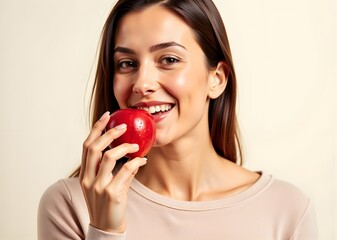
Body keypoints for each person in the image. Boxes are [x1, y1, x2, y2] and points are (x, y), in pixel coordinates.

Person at [38, 0, 318, 239]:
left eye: (169, 59)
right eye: (127, 63)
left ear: (216, 79)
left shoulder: (287, 210)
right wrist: (105, 230)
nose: (141, 83)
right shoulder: (71, 204)